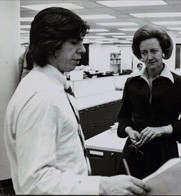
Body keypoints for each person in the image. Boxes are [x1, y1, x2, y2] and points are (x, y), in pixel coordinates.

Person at [4, 7, 150, 195]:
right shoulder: (42, 96)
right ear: (50, 45)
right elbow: (35, 182)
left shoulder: (52, 87)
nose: (82, 49)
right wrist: (102, 186)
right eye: (74, 42)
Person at [116, 24, 181, 179]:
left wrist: (161, 130)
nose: (149, 57)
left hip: (164, 154)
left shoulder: (179, 83)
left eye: (154, 51)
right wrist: (129, 131)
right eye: (144, 53)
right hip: (134, 153)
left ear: (163, 52)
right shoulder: (132, 82)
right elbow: (123, 117)